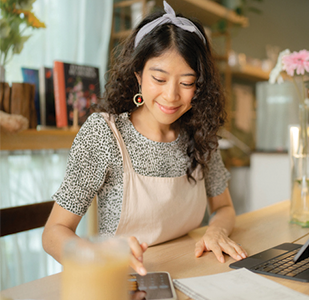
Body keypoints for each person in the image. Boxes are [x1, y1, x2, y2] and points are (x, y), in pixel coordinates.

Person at [42, 1, 247, 276]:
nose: (172, 95)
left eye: (187, 83)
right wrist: (100, 257)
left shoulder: (199, 133)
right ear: (138, 74)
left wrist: (216, 230)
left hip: (193, 272)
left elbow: (223, 207)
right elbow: (54, 233)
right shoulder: (104, 134)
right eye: (159, 79)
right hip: (123, 280)